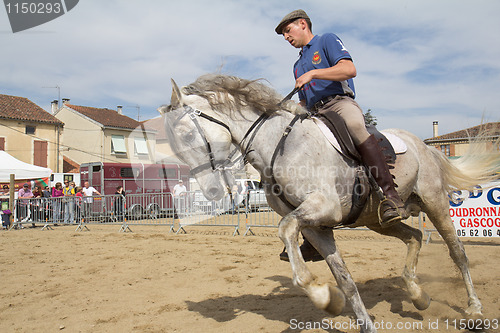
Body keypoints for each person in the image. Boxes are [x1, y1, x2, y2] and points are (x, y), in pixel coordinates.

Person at [275, 9, 404, 227]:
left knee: (355, 125)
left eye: (288, 31)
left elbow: (349, 69)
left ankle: (390, 196)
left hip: (339, 103)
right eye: (284, 35)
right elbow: (305, 100)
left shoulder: (327, 40)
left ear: (303, 24)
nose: (287, 37)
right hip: (315, 112)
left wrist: (314, 73)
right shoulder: (297, 65)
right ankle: (312, 225)